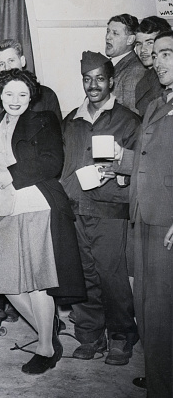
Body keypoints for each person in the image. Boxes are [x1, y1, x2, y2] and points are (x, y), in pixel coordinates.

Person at [0, 69, 86, 375]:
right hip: (4, 206)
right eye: (9, 94)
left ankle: (46, 348)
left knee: (38, 281)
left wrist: (9, 175)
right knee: (6, 281)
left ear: (31, 97)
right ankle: (47, 327)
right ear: (0, 95)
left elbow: (52, 163)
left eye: (22, 94)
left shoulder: (44, 120)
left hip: (36, 203)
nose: (15, 100)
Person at [60, 51, 140, 365]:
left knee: (112, 276)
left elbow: (141, 167)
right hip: (76, 207)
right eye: (87, 79)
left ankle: (121, 336)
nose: (93, 85)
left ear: (112, 81)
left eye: (100, 79)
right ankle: (89, 335)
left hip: (110, 209)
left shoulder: (128, 120)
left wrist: (120, 174)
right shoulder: (71, 120)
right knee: (83, 275)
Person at [128, 30, 173, 396]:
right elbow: (148, 157)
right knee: (146, 306)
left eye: (167, 53)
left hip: (166, 219)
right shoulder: (158, 102)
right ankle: (159, 378)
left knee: (162, 308)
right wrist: (118, 161)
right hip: (144, 212)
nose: (157, 61)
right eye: (155, 55)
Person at [0, 39, 62, 122]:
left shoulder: (46, 94)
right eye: (2, 64)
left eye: (11, 61)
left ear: (22, 61)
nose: (7, 68)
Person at [104, 14, 145, 113]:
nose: (108, 37)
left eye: (115, 33)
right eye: (108, 31)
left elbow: (132, 116)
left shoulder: (136, 70)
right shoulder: (107, 64)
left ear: (130, 40)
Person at [134, 16, 172, 116]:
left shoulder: (167, 78)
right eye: (138, 44)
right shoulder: (144, 79)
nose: (143, 49)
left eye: (149, 43)